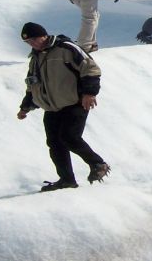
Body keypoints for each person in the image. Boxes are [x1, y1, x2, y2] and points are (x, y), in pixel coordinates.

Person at [16, 22, 110, 192]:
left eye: (34, 39)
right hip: (51, 108)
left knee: (69, 137)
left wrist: (89, 93)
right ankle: (67, 180)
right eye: (28, 42)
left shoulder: (66, 48)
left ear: (44, 35)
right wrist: (25, 107)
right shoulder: (35, 59)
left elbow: (91, 69)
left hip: (75, 102)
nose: (33, 44)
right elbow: (33, 85)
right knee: (54, 143)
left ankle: (98, 164)